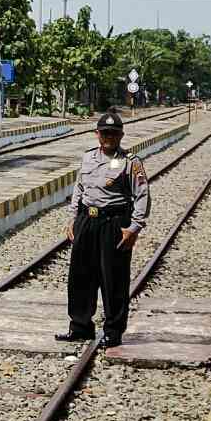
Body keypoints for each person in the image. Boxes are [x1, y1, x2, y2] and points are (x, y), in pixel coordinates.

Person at [58, 110, 150, 347]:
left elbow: (142, 195)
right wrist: (72, 219)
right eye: (105, 133)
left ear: (121, 135)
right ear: (97, 134)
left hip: (114, 223)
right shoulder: (88, 157)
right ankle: (80, 326)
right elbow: (79, 189)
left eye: (114, 133)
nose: (109, 137)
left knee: (113, 278)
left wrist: (134, 227)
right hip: (87, 220)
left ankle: (113, 331)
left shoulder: (130, 162)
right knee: (80, 276)